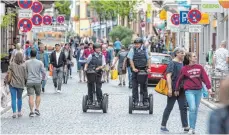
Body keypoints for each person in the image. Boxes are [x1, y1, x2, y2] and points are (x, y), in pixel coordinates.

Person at [175, 52, 212, 134]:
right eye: (194, 56)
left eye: (196, 56)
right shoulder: (184, 69)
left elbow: (205, 77)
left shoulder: (200, 67)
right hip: (189, 91)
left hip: (198, 91)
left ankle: (193, 127)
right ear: (189, 58)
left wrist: (209, 88)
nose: (196, 57)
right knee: (192, 108)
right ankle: (191, 128)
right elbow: (179, 79)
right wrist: (176, 89)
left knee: (195, 110)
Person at [160, 47, 189, 133]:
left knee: (183, 107)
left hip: (182, 88)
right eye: (181, 53)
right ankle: (163, 125)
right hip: (173, 88)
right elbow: (168, 76)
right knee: (169, 107)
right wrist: (169, 89)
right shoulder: (172, 63)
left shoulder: (183, 63)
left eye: (183, 53)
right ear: (177, 53)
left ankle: (185, 126)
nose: (183, 54)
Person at [127, 38, 150, 106]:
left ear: (141, 44)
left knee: (144, 86)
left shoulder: (145, 49)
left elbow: (148, 59)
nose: (136, 45)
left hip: (143, 70)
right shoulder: (132, 49)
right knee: (135, 86)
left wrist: (149, 68)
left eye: (138, 44)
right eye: (135, 44)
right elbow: (130, 59)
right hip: (135, 70)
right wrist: (133, 68)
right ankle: (135, 100)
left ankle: (145, 100)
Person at [25, 49, 46, 117]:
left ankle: (31, 111)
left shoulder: (27, 62)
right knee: (38, 95)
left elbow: (25, 72)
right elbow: (44, 72)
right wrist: (42, 79)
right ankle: (37, 109)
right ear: (36, 54)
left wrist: (26, 79)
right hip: (37, 81)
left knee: (31, 96)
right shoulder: (40, 62)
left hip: (29, 81)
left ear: (30, 54)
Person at [7, 52, 27, 118]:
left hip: (12, 83)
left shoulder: (12, 64)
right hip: (20, 84)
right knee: (19, 98)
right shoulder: (24, 65)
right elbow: (26, 76)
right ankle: (19, 112)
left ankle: (14, 113)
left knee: (13, 99)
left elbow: (8, 72)